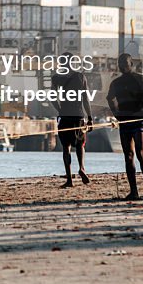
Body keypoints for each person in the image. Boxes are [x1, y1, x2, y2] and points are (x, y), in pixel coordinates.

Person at [106, 54, 143, 201]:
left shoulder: (141, 79)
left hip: (139, 121)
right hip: (125, 122)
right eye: (120, 63)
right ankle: (134, 191)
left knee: (140, 153)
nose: (122, 65)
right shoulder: (116, 83)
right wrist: (117, 114)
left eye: (125, 63)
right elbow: (109, 98)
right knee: (128, 156)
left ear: (131, 63)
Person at [51, 56, 93, 188]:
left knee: (66, 148)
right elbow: (85, 98)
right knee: (80, 145)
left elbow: (53, 97)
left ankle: (69, 179)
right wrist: (90, 118)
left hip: (65, 116)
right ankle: (82, 168)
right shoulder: (80, 77)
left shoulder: (56, 78)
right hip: (78, 116)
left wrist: (60, 110)